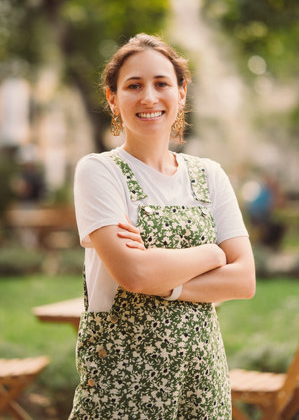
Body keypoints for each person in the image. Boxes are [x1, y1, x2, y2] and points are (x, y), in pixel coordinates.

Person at [69, 33, 255, 419]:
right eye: (133, 85)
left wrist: (163, 278)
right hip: (122, 381)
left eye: (161, 83)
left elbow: (244, 280)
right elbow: (134, 274)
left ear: (181, 93)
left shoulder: (210, 175)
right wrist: (212, 253)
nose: (148, 97)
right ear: (112, 98)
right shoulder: (99, 172)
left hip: (201, 381)